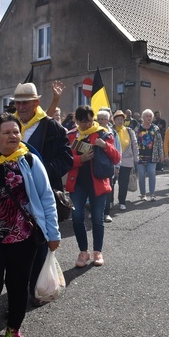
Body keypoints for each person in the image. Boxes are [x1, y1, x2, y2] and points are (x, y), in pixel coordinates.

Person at [0, 113, 60, 337]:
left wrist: (53, 233)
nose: (13, 136)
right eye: (7, 132)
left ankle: (13, 331)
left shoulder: (30, 161)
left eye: (16, 132)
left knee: (17, 285)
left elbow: (46, 198)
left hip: (22, 237)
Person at [6, 83, 72, 306]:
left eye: (25, 102)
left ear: (36, 103)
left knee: (39, 243)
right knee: (15, 249)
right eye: (18, 102)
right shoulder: (10, 126)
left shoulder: (52, 127)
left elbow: (66, 159)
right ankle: (17, 296)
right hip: (13, 199)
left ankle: (35, 290)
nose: (21, 106)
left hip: (41, 197)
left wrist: (40, 172)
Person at [66, 105, 120, 267]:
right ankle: (83, 252)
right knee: (76, 218)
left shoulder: (104, 133)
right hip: (78, 184)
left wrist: (105, 145)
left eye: (89, 121)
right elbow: (66, 160)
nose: (87, 125)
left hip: (98, 182)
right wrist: (80, 160)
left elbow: (116, 158)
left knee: (97, 218)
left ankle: (98, 251)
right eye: (83, 121)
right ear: (76, 120)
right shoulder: (71, 136)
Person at [135, 109, 163, 201]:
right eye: (147, 116)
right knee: (142, 175)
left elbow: (159, 142)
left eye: (150, 116)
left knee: (151, 172)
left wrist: (161, 154)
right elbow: (133, 142)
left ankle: (152, 194)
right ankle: (143, 194)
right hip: (140, 156)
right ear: (143, 117)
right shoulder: (137, 129)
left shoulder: (155, 128)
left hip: (152, 156)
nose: (149, 118)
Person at [112, 110, 138, 210]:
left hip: (126, 160)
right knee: (112, 182)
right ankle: (110, 201)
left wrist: (136, 158)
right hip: (113, 160)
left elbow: (134, 145)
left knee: (123, 183)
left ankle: (122, 202)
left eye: (122, 119)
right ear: (114, 120)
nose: (120, 121)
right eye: (118, 119)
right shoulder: (110, 130)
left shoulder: (129, 131)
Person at [97, 109, 119, 223]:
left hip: (108, 165)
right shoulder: (93, 131)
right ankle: (94, 211)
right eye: (98, 119)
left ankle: (106, 213)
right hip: (95, 165)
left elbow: (117, 149)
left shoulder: (112, 132)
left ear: (108, 120)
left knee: (108, 189)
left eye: (103, 119)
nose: (100, 121)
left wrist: (117, 166)